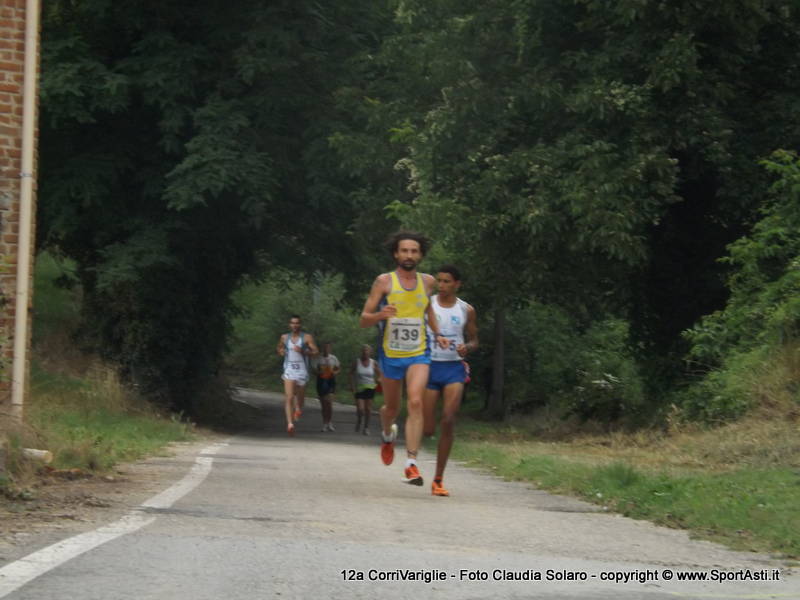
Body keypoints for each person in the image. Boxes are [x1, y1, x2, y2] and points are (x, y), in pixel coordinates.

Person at [359, 231, 449, 486]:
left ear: (420, 255)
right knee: (391, 408)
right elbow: (363, 319)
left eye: (414, 251)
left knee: (416, 402)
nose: (409, 255)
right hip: (391, 354)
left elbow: (427, 309)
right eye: (404, 251)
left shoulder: (428, 282)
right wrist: (380, 315)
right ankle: (387, 435)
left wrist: (438, 333)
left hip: (419, 352)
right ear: (396, 254)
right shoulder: (384, 282)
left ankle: (411, 463)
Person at [423, 265, 478, 496]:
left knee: (448, 419)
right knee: (427, 429)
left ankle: (438, 479)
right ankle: (420, 432)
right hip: (428, 366)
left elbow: (475, 339)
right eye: (439, 281)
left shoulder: (466, 309)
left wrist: (468, 347)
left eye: (447, 281)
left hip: (454, 367)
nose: (442, 285)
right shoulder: (428, 304)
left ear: (457, 284)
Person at [276, 315, 318, 436]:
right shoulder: (284, 337)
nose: (295, 325)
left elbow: (316, 351)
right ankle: (290, 424)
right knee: (289, 397)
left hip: (302, 370)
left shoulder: (306, 337)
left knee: (300, 399)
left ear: (300, 324)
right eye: (292, 323)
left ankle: (298, 408)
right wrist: (281, 351)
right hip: (289, 369)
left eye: (297, 323)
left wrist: (304, 351)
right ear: (289, 325)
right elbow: (279, 347)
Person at [350, 344, 381, 435]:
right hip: (359, 388)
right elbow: (350, 373)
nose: (365, 352)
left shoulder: (373, 363)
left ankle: (366, 427)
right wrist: (352, 385)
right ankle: (359, 420)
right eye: (364, 350)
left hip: (370, 388)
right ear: (361, 352)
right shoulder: (357, 362)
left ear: (370, 352)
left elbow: (380, 374)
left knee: (368, 409)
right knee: (361, 409)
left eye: (367, 350)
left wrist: (378, 381)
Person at [314, 342, 341, 432]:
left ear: (330, 349)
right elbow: (314, 371)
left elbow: (338, 368)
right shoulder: (318, 358)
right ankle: (325, 423)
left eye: (328, 348)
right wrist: (320, 373)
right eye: (325, 347)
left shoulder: (334, 358)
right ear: (323, 348)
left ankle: (330, 422)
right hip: (321, 382)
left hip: (331, 382)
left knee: (329, 403)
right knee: (323, 404)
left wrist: (334, 373)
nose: (326, 349)